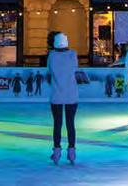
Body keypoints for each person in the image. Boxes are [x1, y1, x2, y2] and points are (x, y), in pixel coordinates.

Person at [47, 31, 78, 165]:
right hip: (71, 94)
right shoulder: (73, 55)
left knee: (57, 124)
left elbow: (49, 71)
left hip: (56, 95)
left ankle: (57, 150)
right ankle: (71, 151)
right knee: (70, 123)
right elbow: (74, 68)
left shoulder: (52, 56)